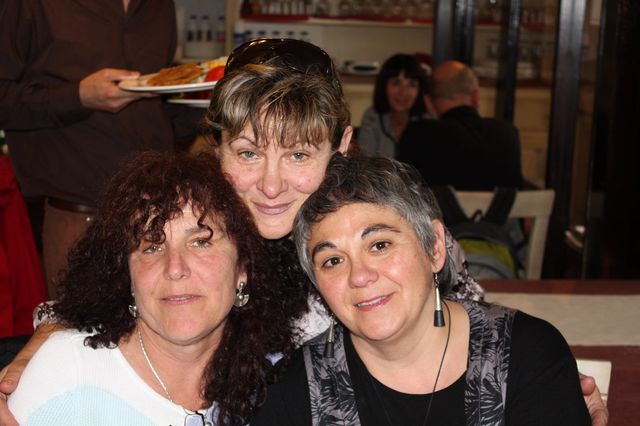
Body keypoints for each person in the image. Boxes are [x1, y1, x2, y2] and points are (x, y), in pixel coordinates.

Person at [0, 39, 608, 425]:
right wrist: (49, 336)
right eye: (247, 152)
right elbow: (126, 284)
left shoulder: (372, 225)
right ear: (217, 149)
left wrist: (541, 395)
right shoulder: (204, 220)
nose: (270, 185)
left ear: (340, 147)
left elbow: (462, 330)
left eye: (297, 155)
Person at [252, 154, 590, 425]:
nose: (360, 276)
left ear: (435, 248)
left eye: (380, 245)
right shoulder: (296, 392)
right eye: (333, 261)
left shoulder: (526, 357)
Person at [7, 151, 298, 425]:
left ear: (242, 269)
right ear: (127, 277)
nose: (175, 268)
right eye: (152, 247)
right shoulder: (69, 374)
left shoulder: (278, 383)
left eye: (200, 242)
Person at [0, 0, 203, 298]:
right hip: (79, 218)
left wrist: (214, 108)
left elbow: (152, 112)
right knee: (79, 325)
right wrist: (78, 96)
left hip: (159, 214)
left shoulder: (158, 6)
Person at [397, 60, 524, 190]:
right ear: (475, 95)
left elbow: (399, 192)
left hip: (439, 204)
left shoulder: (418, 134)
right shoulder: (508, 133)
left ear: (428, 102)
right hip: (501, 204)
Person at [357, 54, 429, 158]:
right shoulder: (373, 117)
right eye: (396, 83)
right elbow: (364, 162)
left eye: (411, 85)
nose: (403, 92)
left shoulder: (429, 121)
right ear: (383, 86)